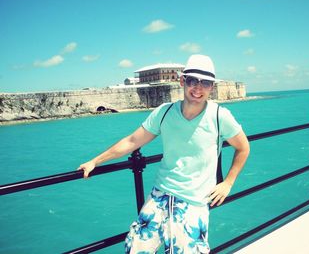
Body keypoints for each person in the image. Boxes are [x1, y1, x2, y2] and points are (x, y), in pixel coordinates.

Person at [78, 54, 250, 253]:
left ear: (212, 87)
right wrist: (95, 161)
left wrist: (228, 183)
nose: (198, 88)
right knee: (135, 248)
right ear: (182, 81)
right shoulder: (164, 113)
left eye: (205, 83)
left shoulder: (220, 116)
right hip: (160, 194)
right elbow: (132, 141)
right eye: (193, 80)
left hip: (194, 202)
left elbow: (243, 147)